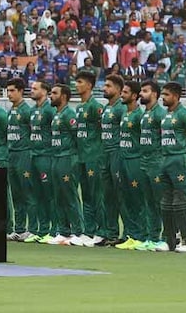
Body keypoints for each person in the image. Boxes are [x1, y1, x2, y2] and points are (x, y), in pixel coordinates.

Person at [160, 81, 186, 253]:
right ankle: (170, 240)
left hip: (179, 159)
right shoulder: (165, 114)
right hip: (165, 159)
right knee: (167, 202)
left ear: (176, 96)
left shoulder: (184, 114)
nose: (163, 97)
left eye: (166, 95)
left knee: (181, 201)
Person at [116, 80, 152, 250]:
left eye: (125, 92)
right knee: (125, 198)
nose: (122, 94)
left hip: (135, 160)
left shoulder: (140, 116)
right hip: (123, 160)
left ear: (134, 96)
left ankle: (142, 235)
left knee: (139, 199)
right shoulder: (124, 113)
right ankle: (129, 234)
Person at [46, 83, 83, 246]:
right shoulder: (56, 114)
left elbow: (78, 138)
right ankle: (63, 231)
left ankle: (78, 231)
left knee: (70, 196)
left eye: (54, 93)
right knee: (57, 196)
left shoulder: (69, 114)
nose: (51, 96)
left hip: (67, 158)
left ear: (64, 96)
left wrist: (73, 157)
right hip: (55, 157)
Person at [133, 80, 166, 251]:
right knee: (147, 202)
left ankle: (166, 237)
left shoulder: (161, 114)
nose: (141, 94)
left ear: (154, 94)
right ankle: (151, 237)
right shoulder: (144, 114)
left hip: (157, 162)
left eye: (145, 91)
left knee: (161, 202)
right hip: (144, 162)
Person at [74, 71, 105, 246]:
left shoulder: (95, 107)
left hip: (94, 156)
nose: (76, 85)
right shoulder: (79, 108)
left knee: (97, 194)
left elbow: (103, 130)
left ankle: (101, 231)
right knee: (86, 194)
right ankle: (89, 230)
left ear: (89, 85)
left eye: (80, 82)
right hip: (82, 157)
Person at [25, 80, 57, 243]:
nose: (32, 91)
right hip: (33, 155)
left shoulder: (50, 110)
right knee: (36, 194)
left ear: (45, 91)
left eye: (35, 89)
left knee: (49, 194)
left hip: (46, 155)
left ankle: (54, 229)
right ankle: (42, 229)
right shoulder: (32, 110)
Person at [99, 75, 127, 246]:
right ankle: (111, 233)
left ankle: (128, 233)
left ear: (117, 89)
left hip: (117, 153)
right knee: (107, 196)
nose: (105, 88)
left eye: (108, 86)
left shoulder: (121, 108)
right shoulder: (106, 108)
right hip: (105, 154)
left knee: (121, 195)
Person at [5, 78, 34, 241]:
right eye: (8, 91)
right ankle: (20, 228)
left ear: (21, 91)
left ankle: (33, 228)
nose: (9, 94)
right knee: (16, 194)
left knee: (27, 193)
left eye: (12, 91)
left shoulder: (26, 110)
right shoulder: (11, 111)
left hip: (24, 154)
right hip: (12, 154)